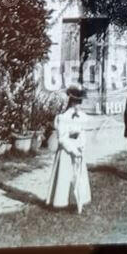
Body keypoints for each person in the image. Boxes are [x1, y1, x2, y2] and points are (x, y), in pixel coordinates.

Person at [45, 84, 92, 213]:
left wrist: (81, 145)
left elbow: (82, 132)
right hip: (67, 150)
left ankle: (78, 201)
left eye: (80, 102)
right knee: (64, 175)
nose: (79, 105)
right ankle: (61, 202)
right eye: (76, 102)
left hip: (77, 147)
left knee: (78, 175)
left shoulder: (82, 116)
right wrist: (72, 150)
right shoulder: (63, 118)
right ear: (71, 102)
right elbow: (62, 138)